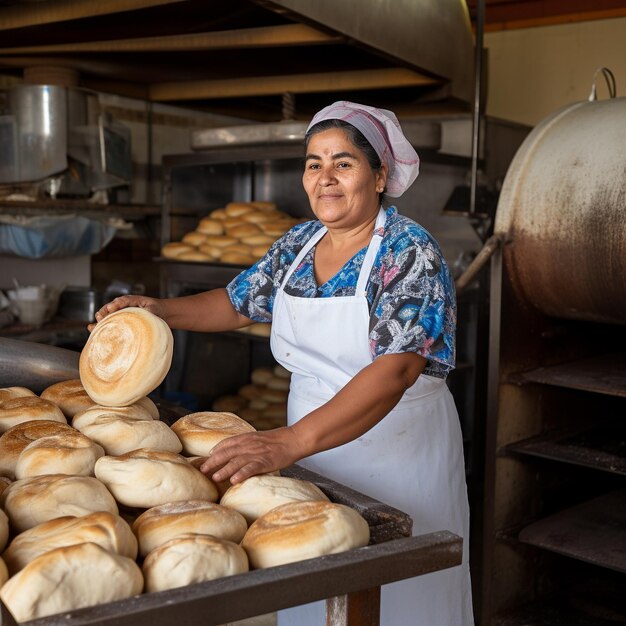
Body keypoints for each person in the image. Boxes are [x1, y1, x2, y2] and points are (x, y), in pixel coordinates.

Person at [93, 101, 474, 625]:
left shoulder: (410, 253)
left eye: (344, 163)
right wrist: (158, 309)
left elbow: (397, 370)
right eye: (314, 164)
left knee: (398, 600)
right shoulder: (299, 243)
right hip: (310, 451)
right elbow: (235, 302)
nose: (325, 178)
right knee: (310, 585)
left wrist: (286, 441)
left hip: (397, 449)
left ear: (380, 175)